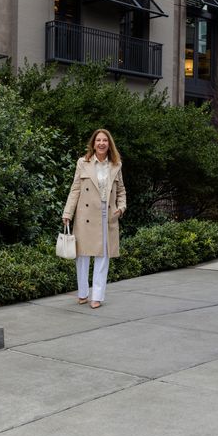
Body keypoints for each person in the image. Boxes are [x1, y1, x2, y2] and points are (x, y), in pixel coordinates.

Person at [62, 129, 126, 309]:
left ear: (109, 144)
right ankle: (83, 293)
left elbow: (121, 191)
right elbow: (75, 189)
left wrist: (121, 208)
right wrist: (68, 213)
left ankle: (97, 296)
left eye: (105, 140)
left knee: (103, 256)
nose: (101, 143)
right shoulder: (83, 163)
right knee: (82, 257)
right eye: (98, 140)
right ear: (93, 143)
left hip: (108, 215)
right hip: (85, 215)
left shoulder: (116, 165)